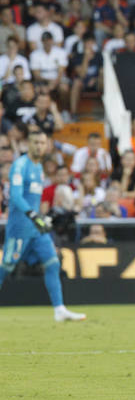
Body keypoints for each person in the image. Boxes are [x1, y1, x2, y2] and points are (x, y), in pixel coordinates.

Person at [0, 129, 85, 321]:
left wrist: (40, 217)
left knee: (53, 263)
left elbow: (34, 199)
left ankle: (59, 310)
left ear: (47, 145)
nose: (39, 146)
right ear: (28, 144)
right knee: (7, 266)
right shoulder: (20, 165)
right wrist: (32, 214)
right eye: (35, 142)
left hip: (36, 228)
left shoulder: (39, 168)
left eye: (42, 143)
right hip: (20, 227)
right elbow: (15, 196)